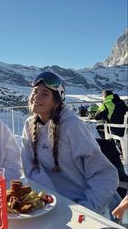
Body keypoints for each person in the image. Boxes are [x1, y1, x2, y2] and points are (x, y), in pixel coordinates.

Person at [21, 71, 121, 215]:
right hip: (51, 207)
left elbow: (105, 175)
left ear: (57, 101)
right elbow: (30, 170)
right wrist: (46, 202)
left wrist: (85, 209)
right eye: (35, 91)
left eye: (44, 93)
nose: (36, 97)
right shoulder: (29, 125)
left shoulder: (71, 126)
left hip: (89, 207)